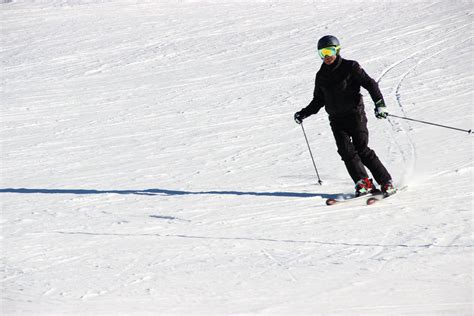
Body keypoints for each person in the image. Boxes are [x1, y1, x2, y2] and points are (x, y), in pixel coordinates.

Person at [294, 35, 396, 197]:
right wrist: (303, 113)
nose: (326, 56)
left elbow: (370, 84)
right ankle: (363, 183)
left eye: (330, 51)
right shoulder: (321, 75)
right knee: (345, 151)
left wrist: (380, 104)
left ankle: (386, 182)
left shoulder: (351, 67)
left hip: (355, 116)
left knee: (362, 150)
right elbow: (318, 100)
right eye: (322, 53)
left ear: (338, 50)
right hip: (336, 120)